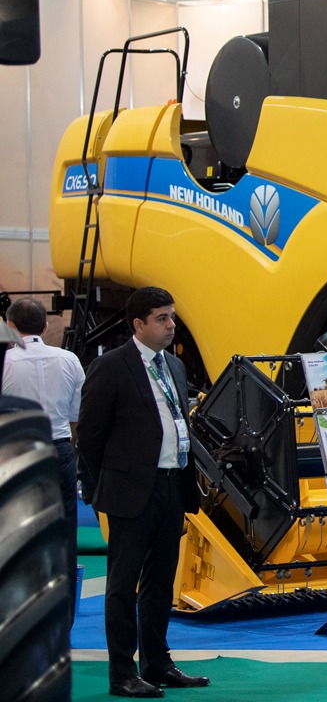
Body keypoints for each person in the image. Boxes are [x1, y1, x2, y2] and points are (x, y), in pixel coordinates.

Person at [76, 287, 209, 697]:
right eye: (162, 319)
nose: (171, 325)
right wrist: (100, 488)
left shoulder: (174, 365)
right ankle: (122, 673)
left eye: (172, 317)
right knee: (122, 585)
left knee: (161, 582)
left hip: (172, 485)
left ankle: (157, 663)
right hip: (129, 492)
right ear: (138, 324)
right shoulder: (111, 366)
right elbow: (90, 436)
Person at [2, 298, 85, 618]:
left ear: (10, 326)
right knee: (64, 530)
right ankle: (63, 615)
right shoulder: (69, 360)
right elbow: (78, 417)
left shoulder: (6, 361)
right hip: (60, 448)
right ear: (46, 325)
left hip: (17, 451)